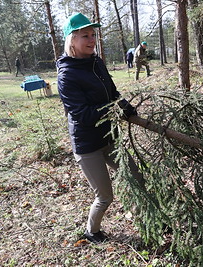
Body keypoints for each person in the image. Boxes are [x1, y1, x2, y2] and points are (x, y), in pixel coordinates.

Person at [57, 13, 143, 244]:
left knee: (136, 177)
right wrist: (113, 109)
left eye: (93, 35)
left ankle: (148, 218)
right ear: (71, 40)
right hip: (87, 145)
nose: (91, 39)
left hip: (108, 136)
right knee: (105, 196)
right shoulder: (67, 75)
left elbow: (112, 94)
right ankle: (92, 232)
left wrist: (126, 107)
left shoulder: (97, 62)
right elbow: (83, 115)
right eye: (85, 35)